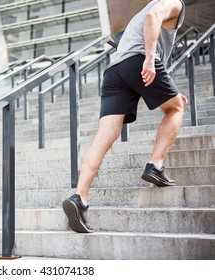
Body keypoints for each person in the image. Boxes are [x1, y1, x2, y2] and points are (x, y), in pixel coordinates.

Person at [62, 0, 188, 233]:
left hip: (115, 71)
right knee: (176, 108)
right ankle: (155, 165)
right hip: (139, 61)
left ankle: (80, 197)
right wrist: (150, 60)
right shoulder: (173, 3)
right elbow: (153, 18)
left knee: (105, 135)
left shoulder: (143, 10)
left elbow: (145, 28)